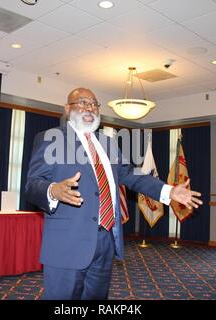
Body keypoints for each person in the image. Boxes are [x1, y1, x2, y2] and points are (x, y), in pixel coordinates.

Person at [25, 88, 203, 300]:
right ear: (67, 109)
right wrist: (53, 190)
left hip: (105, 241)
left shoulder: (107, 143)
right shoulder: (50, 139)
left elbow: (131, 174)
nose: (89, 107)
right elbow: (32, 184)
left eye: (93, 104)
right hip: (68, 244)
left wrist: (169, 191)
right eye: (82, 102)